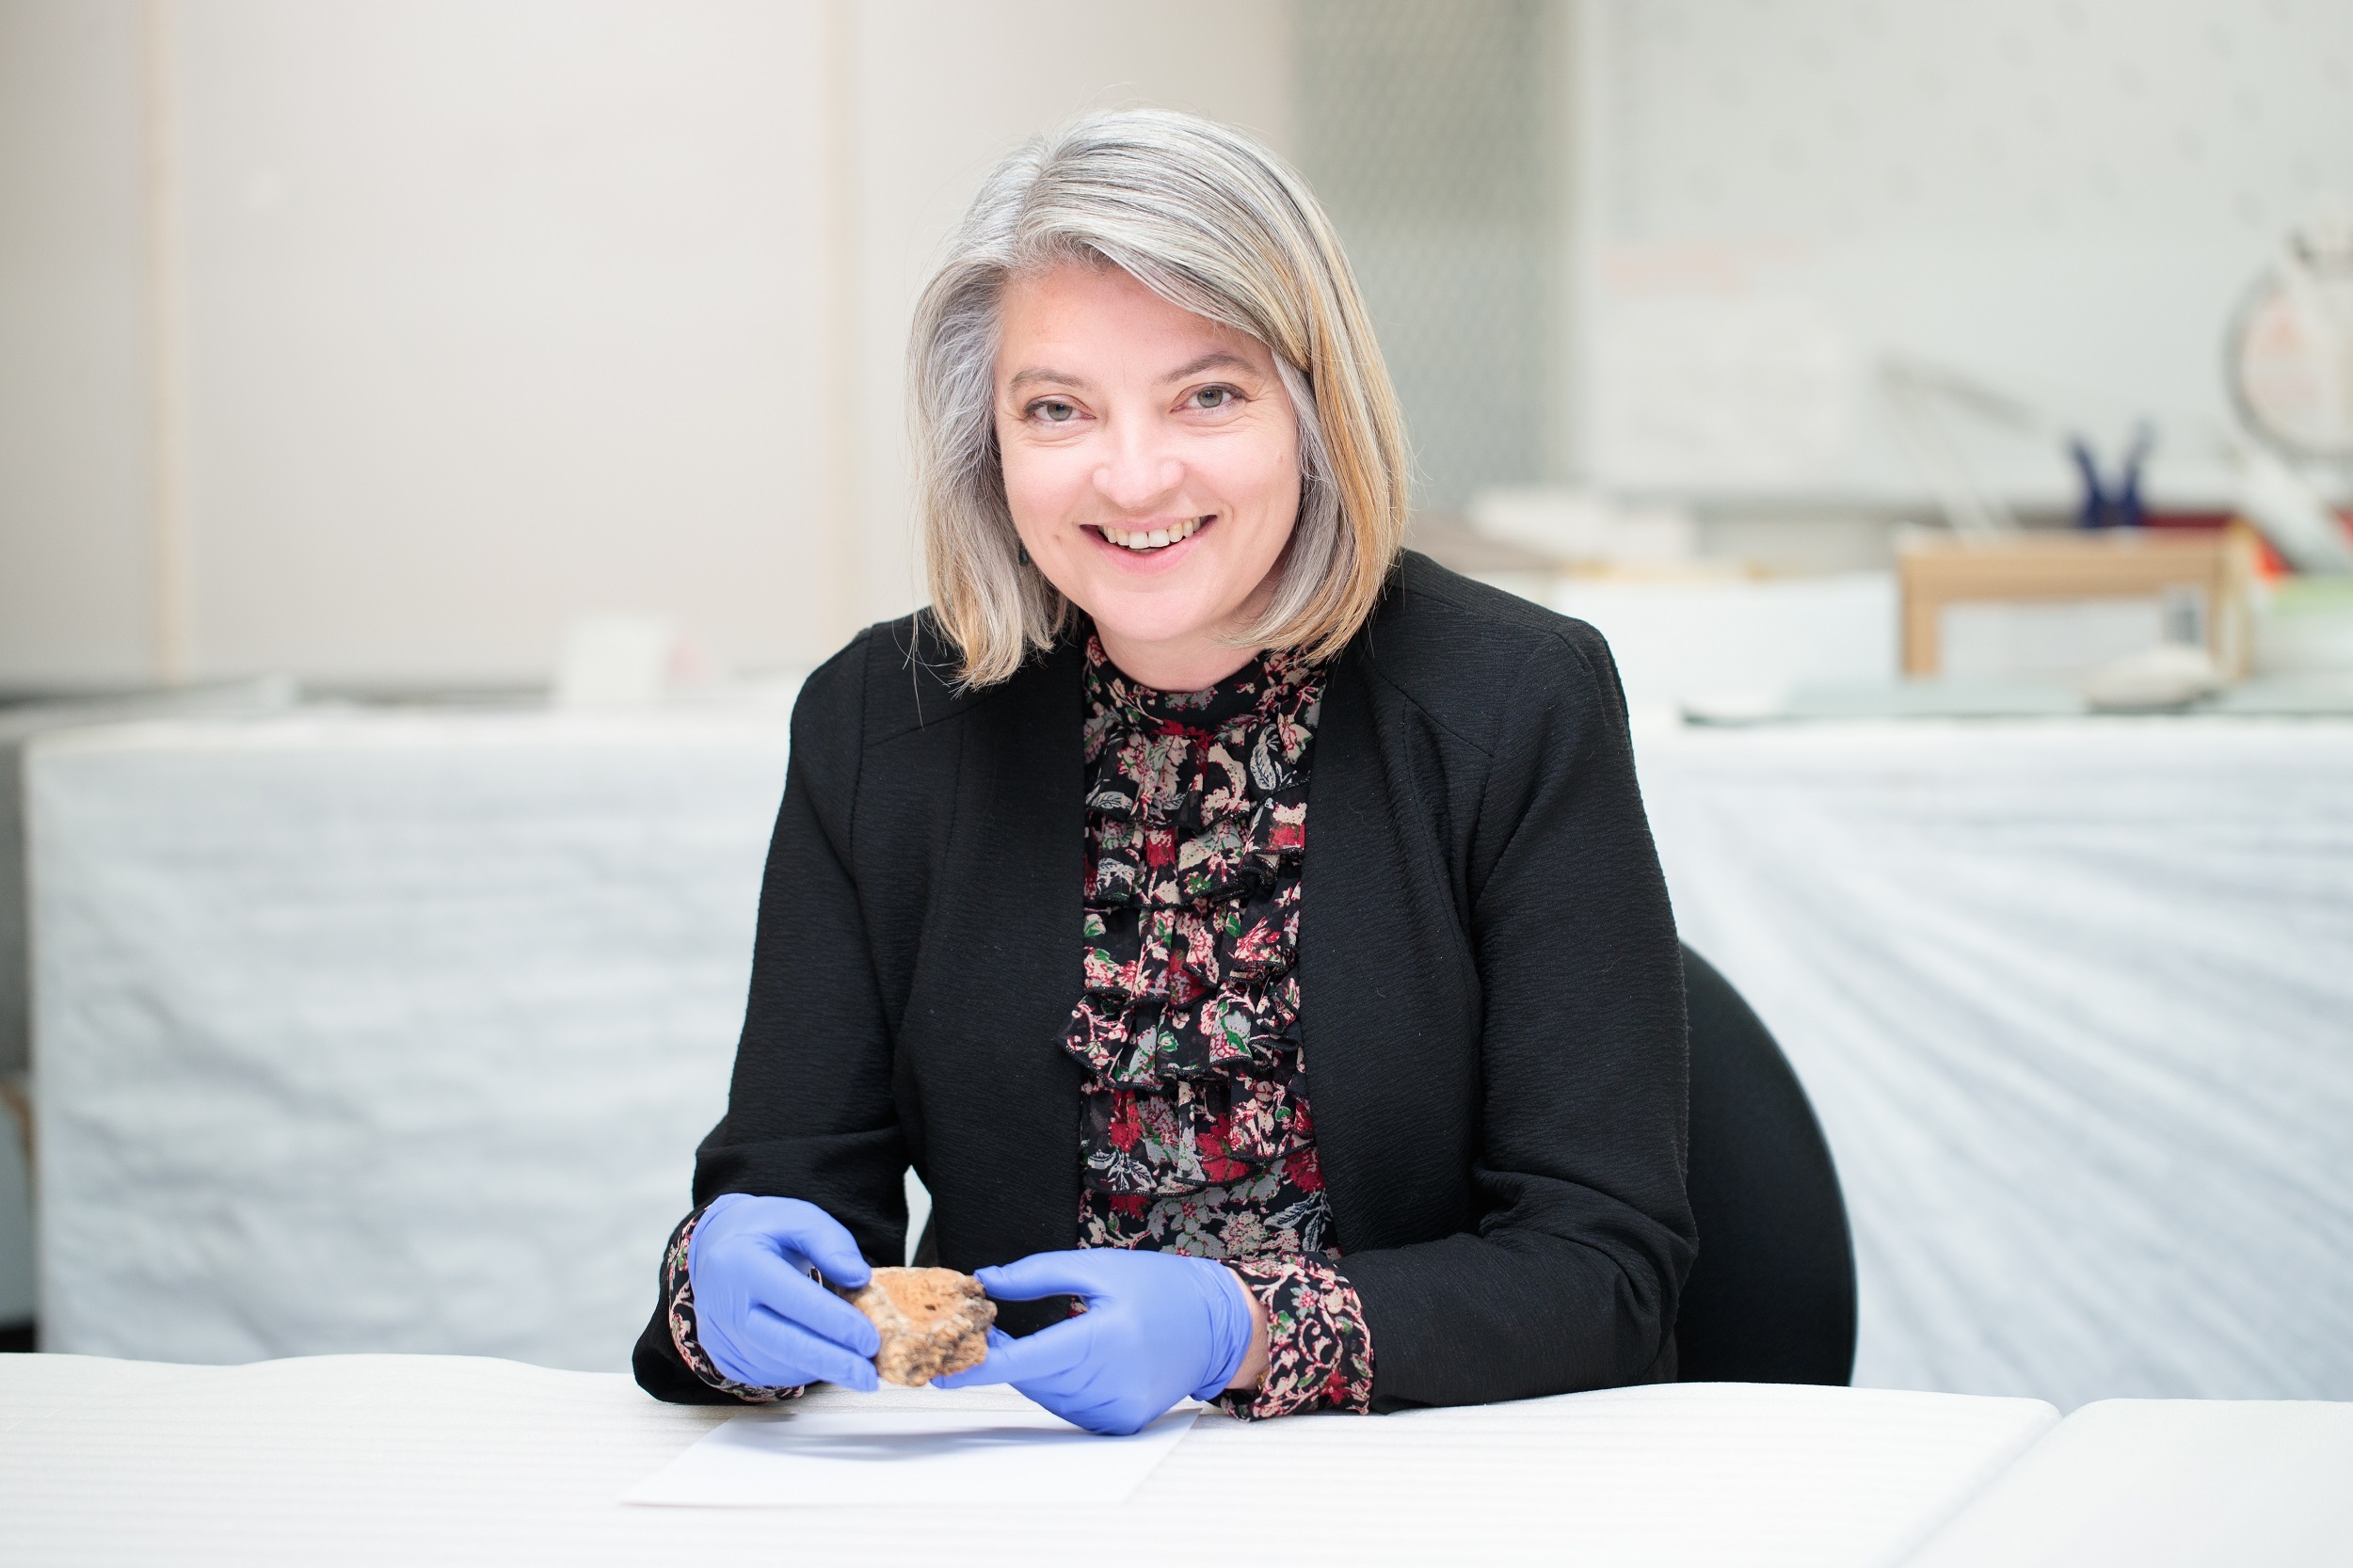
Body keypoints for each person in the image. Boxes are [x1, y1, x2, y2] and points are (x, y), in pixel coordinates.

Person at [632, 109, 1693, 1435]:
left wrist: (1237, 1331)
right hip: (1026, 1490)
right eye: (1059, 408)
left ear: (1314, 410)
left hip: (1416, 1477)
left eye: (1209, 393)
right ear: (990, 443)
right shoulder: (876, 723)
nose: (1135, 477)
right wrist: (716, 1292)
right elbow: (793, 1215)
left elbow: (1607, 1274)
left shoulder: (1512, 701)